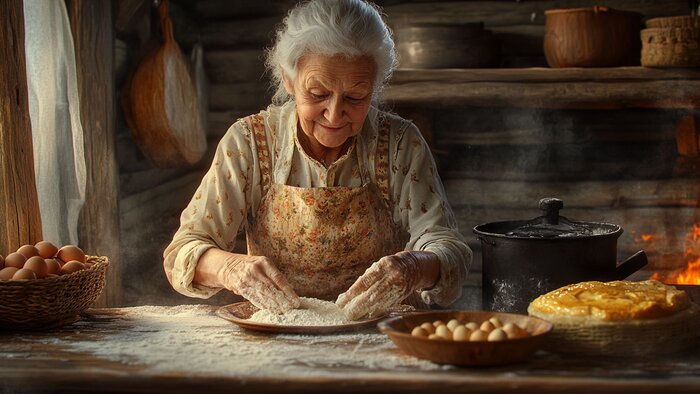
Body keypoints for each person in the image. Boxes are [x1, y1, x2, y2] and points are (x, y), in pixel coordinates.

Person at [163, 0, 472, 320]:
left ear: (375, 87)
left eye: (355, 96)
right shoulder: (249, 143)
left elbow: (449, 251)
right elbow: (182, 253)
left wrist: (413, 267)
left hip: (379, 336)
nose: (335, 114)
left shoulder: (399, 143)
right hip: (277, 335)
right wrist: (229, 268)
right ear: (289, 79)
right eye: (318, 93)